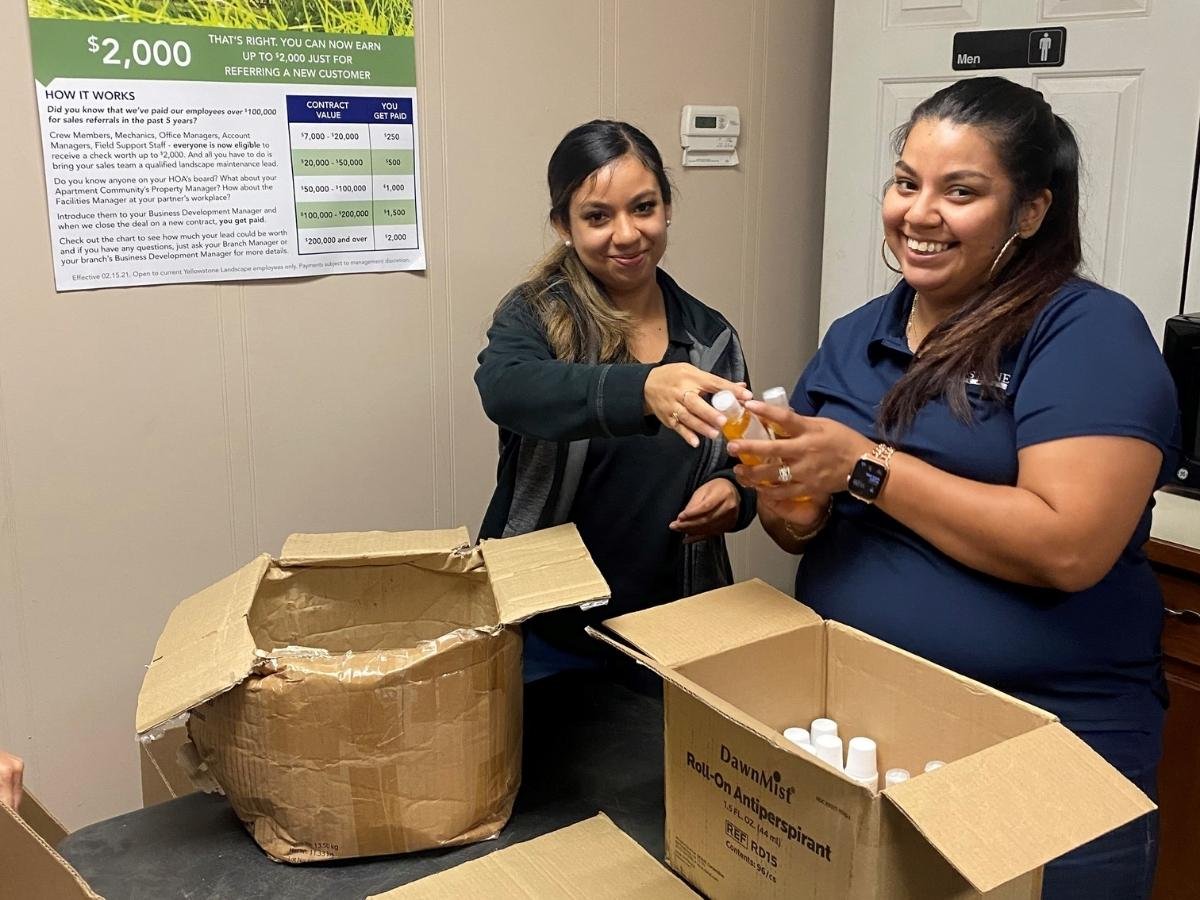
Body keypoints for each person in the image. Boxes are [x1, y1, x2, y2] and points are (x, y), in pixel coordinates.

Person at [728, 77, 1177, 899]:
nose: (918, 213)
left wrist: (865, 466)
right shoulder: (857, 333)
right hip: (863, 727)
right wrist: (788, 499)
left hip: (1040, 738)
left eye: (960, 191)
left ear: (1031, 212)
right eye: (907, 182)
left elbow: (1069, 545)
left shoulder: (1083, 331)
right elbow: (800, 527)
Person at [475, 119, 756, 678]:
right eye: (597, 217)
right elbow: (505, 388)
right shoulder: (537, 314)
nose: (626, 234)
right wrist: (642, 388)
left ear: (667, 208)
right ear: (564, 224)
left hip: (669, 621)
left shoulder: (710, 337)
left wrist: (733, 493)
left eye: (644, 208)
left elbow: (743, 454)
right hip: (547, 628)